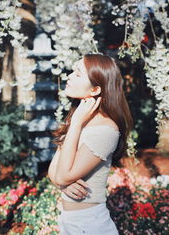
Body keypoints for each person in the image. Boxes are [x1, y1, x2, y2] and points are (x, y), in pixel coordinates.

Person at [48, 53, 133, 234]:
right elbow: (54, 171)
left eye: (78, 74)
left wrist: (62, 180)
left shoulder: (106, 130)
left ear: (95, 90)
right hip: (69, 221)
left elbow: (62, 174)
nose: (69, 76)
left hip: (89, 225)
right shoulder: (79, 118)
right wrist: (62, 182)